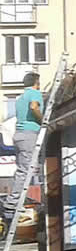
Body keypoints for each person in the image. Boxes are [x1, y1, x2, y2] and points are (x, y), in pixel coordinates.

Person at [2, 73, 42, 230]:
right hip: (29, 134)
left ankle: (13, 201)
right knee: (26, 170)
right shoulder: (34, 93)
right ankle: (11, 204)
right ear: (36, 83)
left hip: (18, 135)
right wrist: (43, 121)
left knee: (21, 171)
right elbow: (34, 107)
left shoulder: (19, 98)